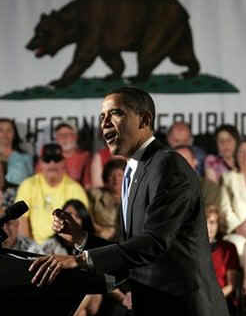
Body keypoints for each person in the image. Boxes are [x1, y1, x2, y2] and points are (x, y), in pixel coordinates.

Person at [29, 87, 229, 316]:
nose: (104, 123)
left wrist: (79, 261)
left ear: (144, 119)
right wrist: (80, 238)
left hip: (184, 307)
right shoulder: (132, 171)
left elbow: (153, 242)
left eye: (115, 113)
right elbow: (128, 254)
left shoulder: (167, 165)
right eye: (102, 117)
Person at [15, 143, 89, 244]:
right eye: (47, 160)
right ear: (40, 163)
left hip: (65, 247)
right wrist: (28, 248)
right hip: (34, 247)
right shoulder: (28, 185)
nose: (52, 164)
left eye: (57, 159)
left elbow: (82, 225)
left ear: (64, 162)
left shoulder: (75, 189)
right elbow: (21, 220)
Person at [205, 204, 240, 315]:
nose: (208, 227)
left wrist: (212, 300)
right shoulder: (193, 249)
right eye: (205, 222)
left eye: (212, 222)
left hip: (222, 301)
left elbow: (231, 285)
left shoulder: (228, 248)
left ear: (218, 224)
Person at [219, 138, 246, 263]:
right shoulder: (228, 178)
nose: (244, 155)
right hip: (237, 231)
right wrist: (238, 228)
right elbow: (225, 208)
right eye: (241, 152)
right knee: (238, 245)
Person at [87, 157, 126, 240]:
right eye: (112, 175)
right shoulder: (95, 195)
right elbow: (89, 220)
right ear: (106, 177)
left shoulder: (134, 196)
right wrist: (101, 230)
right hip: (101, 238)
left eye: (120, 175)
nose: (116, 179)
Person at [0, 118, 33, 186]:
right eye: (1, 130)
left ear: (14, 133)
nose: (5, 134)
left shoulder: (25, 157)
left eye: (9, 130)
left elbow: (31, 182)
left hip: (20, 195)